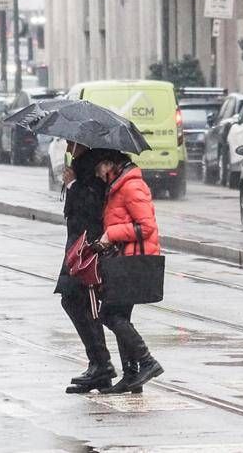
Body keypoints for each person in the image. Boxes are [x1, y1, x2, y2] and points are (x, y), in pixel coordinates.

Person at [94, 150, 163, 393]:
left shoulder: (131, 185)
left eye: (99, 167)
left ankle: (147, 362)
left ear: (110, 164)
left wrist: (111, 235)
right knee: (119, 315)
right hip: (124, 258)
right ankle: (132, 375)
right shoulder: (117, 185)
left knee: (110, 315)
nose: (98, 174)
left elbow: (146, 227)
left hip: (134, 260)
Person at [55, 143, 116, 394]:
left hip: (87, 247)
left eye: (71, 141)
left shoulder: (92, 166)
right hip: (76, 246)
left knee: (83, 303)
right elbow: (72, 210)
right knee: (72, 301)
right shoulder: (81, 164)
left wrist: (72, 184)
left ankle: (101, 364)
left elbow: (92, 207)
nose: (68, 145)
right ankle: (98, 364)